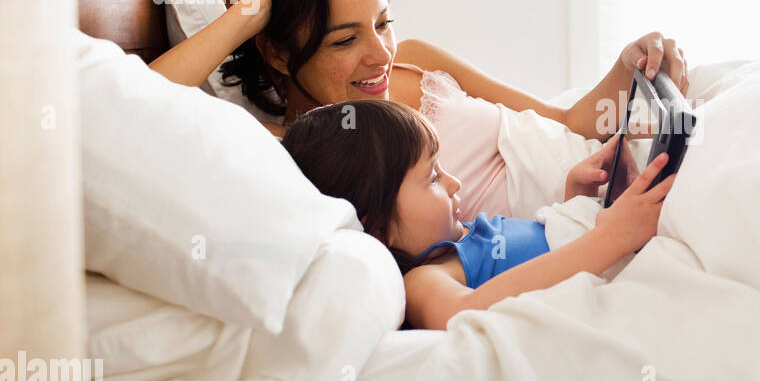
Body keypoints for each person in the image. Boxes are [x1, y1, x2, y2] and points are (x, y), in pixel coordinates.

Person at [148, 0, 690, 217]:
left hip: (617, 166)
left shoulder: (417, 62)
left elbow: (567, 122)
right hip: (594, 219)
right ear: (277, 52)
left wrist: (629, 66)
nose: (381, 55)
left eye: (383, 23)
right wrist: (246, 16)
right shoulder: (290, 153)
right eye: (345, 39)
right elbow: (131, 104)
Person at [282, 100, 676, 330]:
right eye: (432, 177)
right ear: (376, 224)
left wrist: (575, 198)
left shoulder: (461, 239)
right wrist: (608, 239)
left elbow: (542, 251)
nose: (454, 183)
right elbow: (464, 313)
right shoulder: (424, 281)